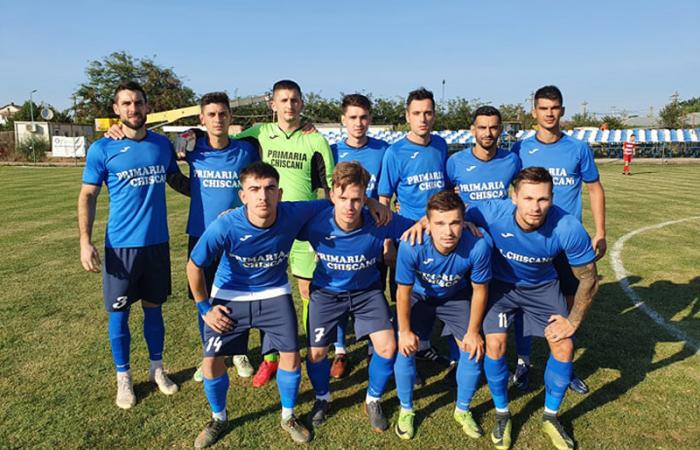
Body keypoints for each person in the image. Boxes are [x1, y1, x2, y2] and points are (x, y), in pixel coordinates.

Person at [187, 161, 390, 447]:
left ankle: (288, 416)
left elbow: (337, 197)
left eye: (270, 188)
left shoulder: (293, 212)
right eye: (254, 189)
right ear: (242, 195)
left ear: (280, 193)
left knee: (291, 356)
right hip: (232, 294)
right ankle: (218, 418)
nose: (263, 196)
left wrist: (370, 201)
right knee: (211, 361)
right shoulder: (226, 225)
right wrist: (205, 308)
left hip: (273, 292)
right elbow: (194, 266)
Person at [466, 167, 599, 450]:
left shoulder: (567, 226)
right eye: (528, 198)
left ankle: (551, 416)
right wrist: (426, 223)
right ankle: (502, 413)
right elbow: (449, 217)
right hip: (501, 287)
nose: (535, 207)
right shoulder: (490, 212)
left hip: (542, 287)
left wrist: (573, 321)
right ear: (514, 197)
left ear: (552, 198)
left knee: (564, 345)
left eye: (543, 199)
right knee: (496, 346)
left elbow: (589, 278)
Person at [78, 81, 184, 409]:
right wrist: (85, 241)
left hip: (157, 243)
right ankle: (123, 377)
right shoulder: (102, 148)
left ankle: (157, 368)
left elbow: (177, 179)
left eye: (138, 102)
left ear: (147, 107)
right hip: (121, 246)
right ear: (116, 109)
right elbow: (88, 195)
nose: (133, 109)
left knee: (154, 308)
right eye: (126, 103)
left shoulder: (161, 144)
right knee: (119, 313)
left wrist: (214, 186)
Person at [298, 161, 415, 433]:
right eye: (343, 199)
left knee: (387, 347)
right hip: (326, 294)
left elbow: (419, 227)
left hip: (367, 293)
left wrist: (464, 223)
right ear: (332, 196)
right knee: (316, 353)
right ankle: (323, 398)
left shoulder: (380, 220)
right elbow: (275, 220)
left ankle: (373, 399)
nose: (349, 207)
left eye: (357, 199)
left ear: (365, 198)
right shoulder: (314, 222)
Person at [235, 80, 336, 387]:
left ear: (301, 104)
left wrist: (326, 232)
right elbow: (223, 139)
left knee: (307, 292)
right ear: (273, 105)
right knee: (266, 292)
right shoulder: (259, 133)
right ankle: (270, 358)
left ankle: (313, 350)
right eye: (283, 100)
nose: (289, 105)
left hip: (304, 227)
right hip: (269, 225)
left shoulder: (315, 140)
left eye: (294, 100)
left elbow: (330, 189)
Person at [511, 85, 606, 394]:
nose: (549, 113)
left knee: (569, 304)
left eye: (554, 108)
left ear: (562, 111)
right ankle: (523, 361)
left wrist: (600, 231)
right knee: (524, 303)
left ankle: (565, 364)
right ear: (534, 112)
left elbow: (594, 188)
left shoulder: (578, 148)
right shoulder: (520, 149)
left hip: (567, 242)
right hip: (531, 240)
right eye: (544, 108)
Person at [393, 190, 493, 440]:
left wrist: (473, 332)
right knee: (404, 348)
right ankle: (406, 409)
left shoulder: (478, 244)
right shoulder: (411, 244)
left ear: (464, 221)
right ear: (427, 223)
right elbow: (402, 293)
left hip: (454, 297)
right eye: (439, 223)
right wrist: (404, 332)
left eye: (455, 223)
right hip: (418, 297)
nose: (448, 231)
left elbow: (480, 290)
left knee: (472, 349)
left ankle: (463, 410)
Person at [444, 105, 521, 382]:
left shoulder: (512, 161)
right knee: (460, 300)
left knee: (494, 302)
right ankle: (457, 358)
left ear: (500, 129)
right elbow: (446, 199)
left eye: (493, 127)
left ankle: (498, 359)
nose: (488, 133)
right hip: (464, 244)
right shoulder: (455, 162)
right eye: (482, 127)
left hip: (501, 245)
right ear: (472, 130)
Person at [378, 87, 451, 370]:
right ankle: (403, 356)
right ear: (407, 116)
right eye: (417, 113)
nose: (423, 118)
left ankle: (423, 346)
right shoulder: (395, 152)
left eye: (428, 113)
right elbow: (384, 200)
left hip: (439, 234)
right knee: (405, 296)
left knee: (432, 293)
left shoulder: (440, 145)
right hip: (408, 236)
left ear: (434, 115)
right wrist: (387, 243)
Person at [329, 94, 390, 378]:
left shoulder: (383, 150)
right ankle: (340, 349)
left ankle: (371, 345)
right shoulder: (331, 151)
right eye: (352, 117)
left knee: (373, 288)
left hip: (372, 233)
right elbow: (326, 194)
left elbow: (386, 195)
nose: (358, 123)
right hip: (340, 235)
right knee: (340, 290)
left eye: (363, 117)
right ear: (343, 120)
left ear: (370, 119)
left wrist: (386, 237)